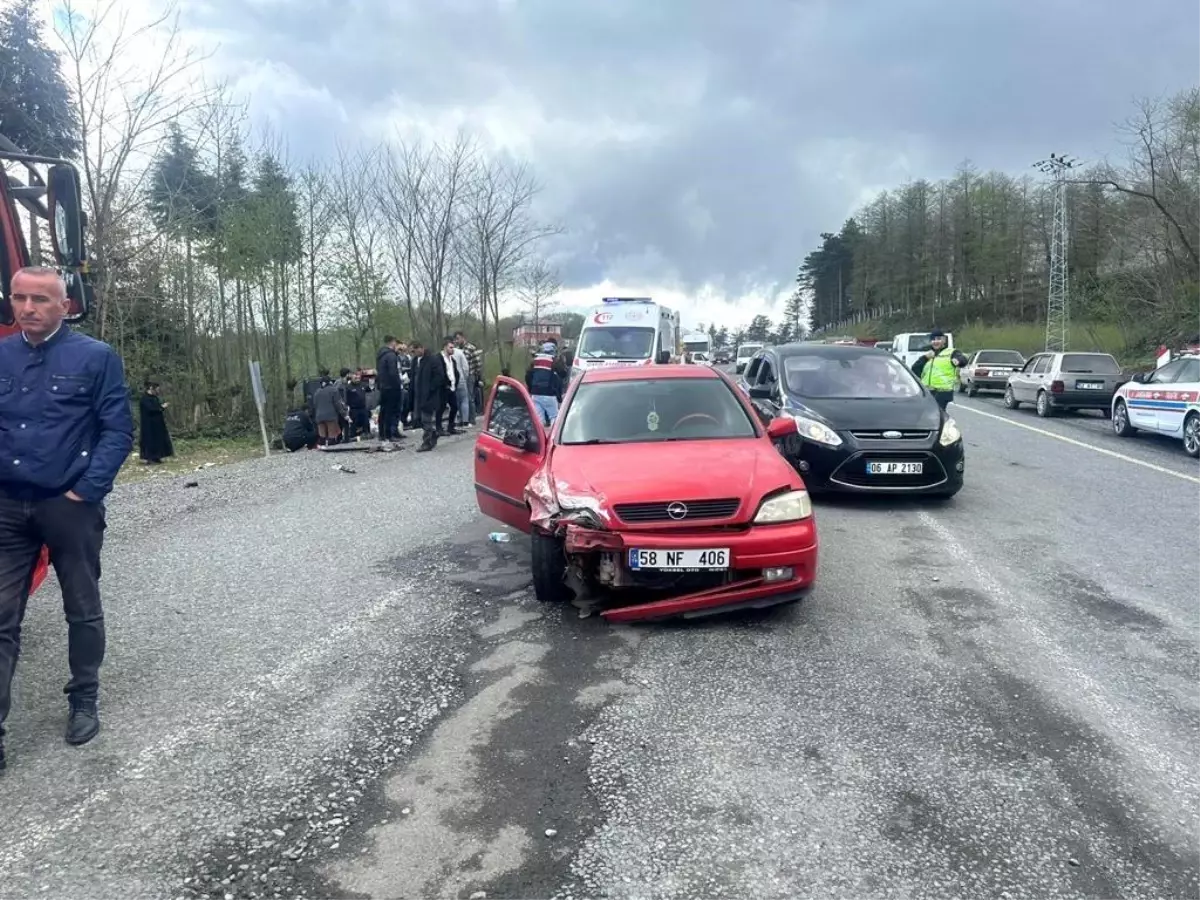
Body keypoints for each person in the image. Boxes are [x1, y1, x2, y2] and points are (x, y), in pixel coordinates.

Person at [0, 266, 134, 770]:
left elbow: (117, 430)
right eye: (19, 298)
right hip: (8, 506)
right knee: (1, 618)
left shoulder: (95, 358)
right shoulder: (2, 355)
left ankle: (83, 697)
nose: (27, 308)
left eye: (40, 299)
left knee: (81, 606)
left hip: (68, 504)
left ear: (64, 305)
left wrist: (87, 491)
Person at [911, 329, 966, 410]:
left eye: (938, 339)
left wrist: (958, 361)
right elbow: (915, 369)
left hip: (943, 392)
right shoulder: (928, 355)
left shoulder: (951, 352)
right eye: (933, 339)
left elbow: (963, 360)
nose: (935, 341)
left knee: (936, 415)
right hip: (928, 391)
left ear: (943, 340)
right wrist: (925, 358)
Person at [414, 339, 450, 452]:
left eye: (414, 351)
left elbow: (439, 376)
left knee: (426, 419)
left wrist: (430, 388)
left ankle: (427, 441)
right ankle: (433, 433)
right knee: (419, 419)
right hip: (419, 394)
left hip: (430, 395)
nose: (413, 354)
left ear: (421, 348)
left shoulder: (433, 359)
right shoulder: (416, 361)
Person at [526, 341, 564, 425]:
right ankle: (553, 437)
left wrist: (530, 389)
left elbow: (528, 376)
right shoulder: (553, 361)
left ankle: (541, 437)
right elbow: (563, 373)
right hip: (549, 394)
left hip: (535, 394)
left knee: (539, 420)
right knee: (554, 418)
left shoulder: (535, 361)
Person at [138, 380, 174, 464]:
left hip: (157, 424)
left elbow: (156, 407)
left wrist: (161, 407)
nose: (158, 391)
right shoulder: (144, 399)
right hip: (149, 425)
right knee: (150, 441)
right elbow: (151, 409)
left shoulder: (154, 398)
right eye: (156, 389)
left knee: (158, 440)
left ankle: (157, 457)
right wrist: (161, 407)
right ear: (151, 388)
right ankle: (150, 458)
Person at [376, 336, 404, 441]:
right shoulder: (391, 356)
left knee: (383, 411)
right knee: (391, 411)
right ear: (392, 343)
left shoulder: (380, 355)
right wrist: (397, 385)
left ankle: (382, 434)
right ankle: (389, 434)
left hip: (383, 387)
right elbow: (393, 372)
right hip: (392, 387)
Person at [454, 331, 483, 425]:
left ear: (463, 337)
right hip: (460, 376)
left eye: (458, 339)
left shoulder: (471, 348)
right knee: (461, 398)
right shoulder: (457, 350)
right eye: (456, 339)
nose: (457, 341)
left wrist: (476, 376)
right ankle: (463, 419)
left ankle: (472, 419)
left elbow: (478, 363)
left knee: (470, 397)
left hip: (470, 375)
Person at [312, 376, 347, 446]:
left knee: (322, 436)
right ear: (330, 382)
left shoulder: (317, 392)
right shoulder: (333, 390)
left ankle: (321, 449)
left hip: (319, 417)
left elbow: (314, 405)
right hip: (330, 416)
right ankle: (331, 450)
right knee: (332, 436)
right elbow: (338, 404)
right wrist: (344, 414)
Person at [437, 337, 462, 436]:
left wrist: (455, 383)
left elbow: (454, 372)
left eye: (453, 347)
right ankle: (438, 428)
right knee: (441, 408)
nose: (452, 349)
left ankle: (451, 427)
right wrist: (444, 383)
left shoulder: (452, 360)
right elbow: (439, 373)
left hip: (452, 387)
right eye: (450, 347)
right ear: (445, 347)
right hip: (443, 387)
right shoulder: (438, 358)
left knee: (455, 407)